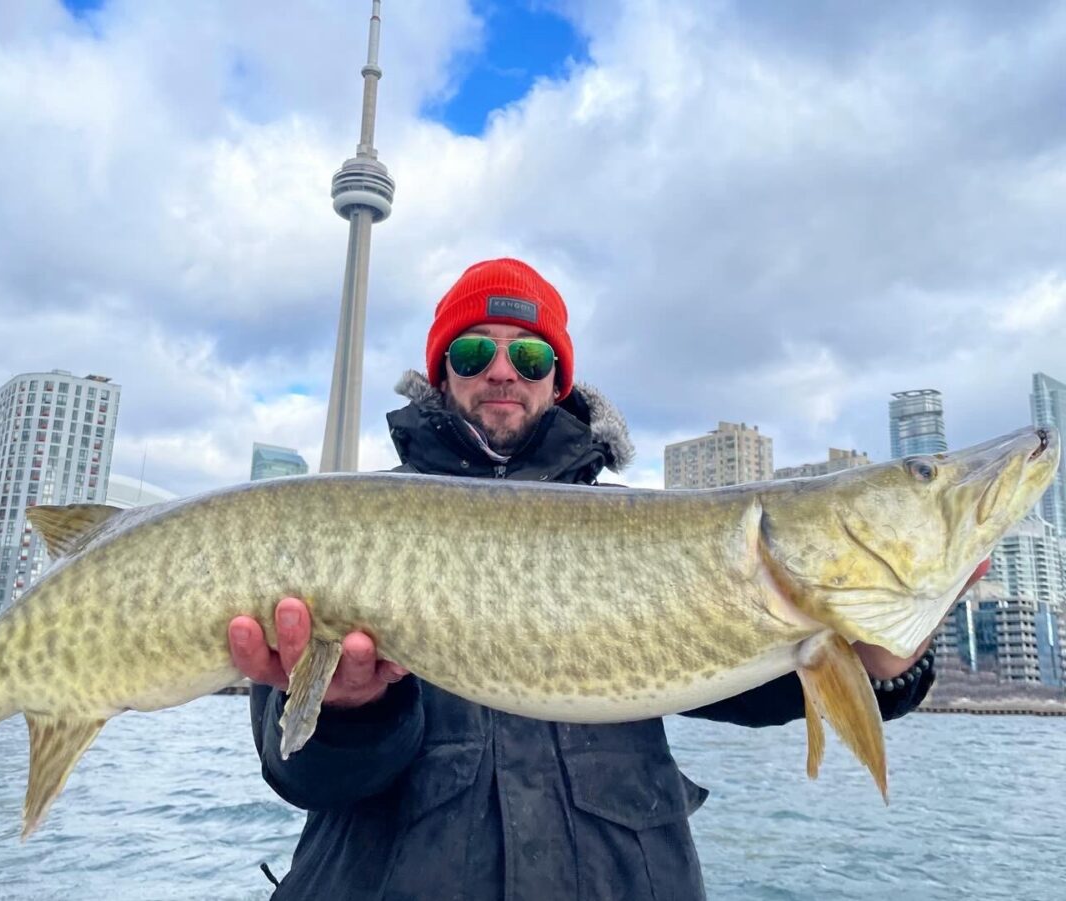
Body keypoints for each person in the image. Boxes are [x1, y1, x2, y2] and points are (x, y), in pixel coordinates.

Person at [227, 258, 979, 900]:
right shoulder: (341, 529)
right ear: (439, 373)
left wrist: (881, 661)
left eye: (528, 358)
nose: (501, 371)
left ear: (558, 379)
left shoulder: (649, 537)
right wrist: (354, 712)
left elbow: (766, 682)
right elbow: (297, 771)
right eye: (472, 352)